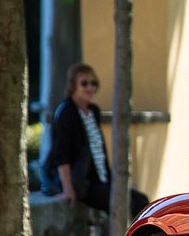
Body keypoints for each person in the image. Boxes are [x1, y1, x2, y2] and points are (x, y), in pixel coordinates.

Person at [42, 63, 149, 219]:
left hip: (101, 179)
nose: (90, 87)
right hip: (82, 182)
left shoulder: (93, 111)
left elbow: (99, 151)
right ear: (73, 86)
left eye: (93, 83)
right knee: (128, 203)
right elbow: (61, 154)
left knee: (141, 200)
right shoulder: (66, 112)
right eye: (84, 83)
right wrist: (67, 189)